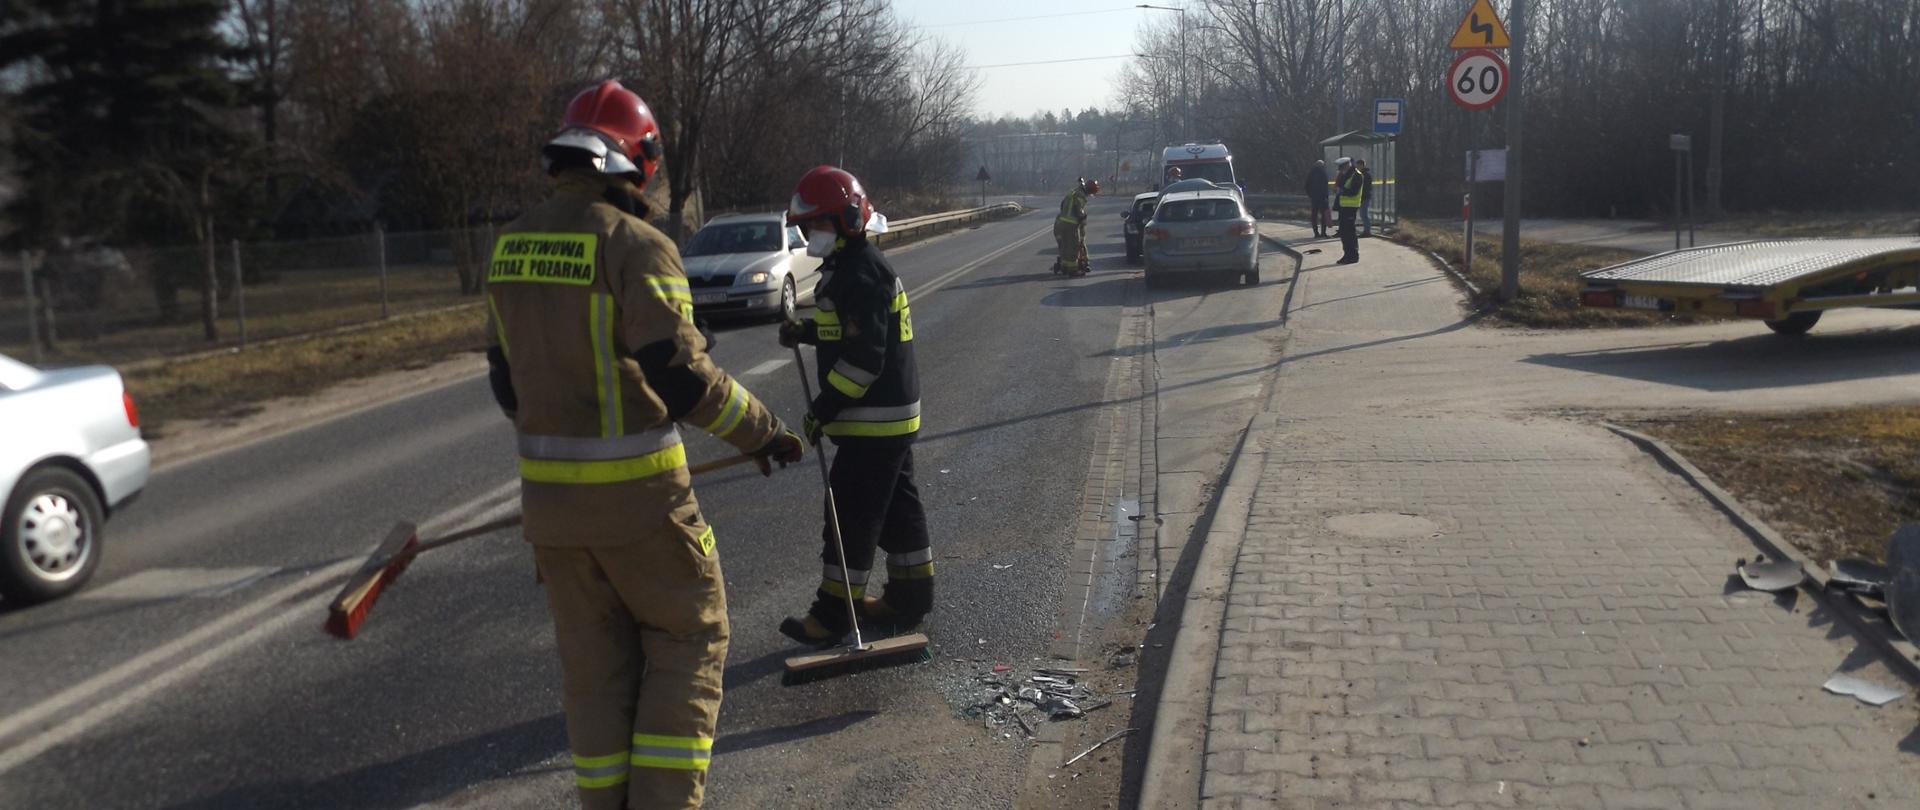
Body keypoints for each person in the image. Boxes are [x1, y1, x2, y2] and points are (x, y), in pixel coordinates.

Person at [484, 79, 805, 810]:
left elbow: (508, 386)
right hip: (642, 509)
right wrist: (766, 433)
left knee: (595, 674)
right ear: (636, 162)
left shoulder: (509, 247)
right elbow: (682, 377)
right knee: (689, 644)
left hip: (554, 519)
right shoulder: (636, 245)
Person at [777, 165, 933, 644]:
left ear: (845, 220)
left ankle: (833, 614)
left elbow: (864, 361)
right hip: (890, 419)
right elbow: (845, 334)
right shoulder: (849, 269)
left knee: (849, 515)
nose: (808, 237)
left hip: (874, 420)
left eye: (815, 226)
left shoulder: (861, 274)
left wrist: (822, 409)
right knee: (897, 512)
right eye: (805, 228)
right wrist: (804, 332)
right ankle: (909, 598)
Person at [1052, 177, 1098, 276]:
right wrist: (1083, 216)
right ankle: (1073, 270)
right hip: (1070, 224)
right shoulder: (1080, 195)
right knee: (1073, 247)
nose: (1089, 196)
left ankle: (1064, 266)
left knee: (1064, 245)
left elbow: (1062, 204)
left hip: (1060, 222)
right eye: (1090, 194)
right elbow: (1079, 210)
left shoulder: (1073, 192)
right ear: (1089, 191)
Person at [1334, 156, 1363, 264]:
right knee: (1344, 233)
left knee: (1350, 233)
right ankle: (1347, 254)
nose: (1340, 170)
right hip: (1344, 207)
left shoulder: (1357, 175)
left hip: (1351, 208)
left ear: (1347, 165)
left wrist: (1342, 191)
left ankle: (1353, 256)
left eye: (1341, 168)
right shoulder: (1345, 175)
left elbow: (1354, 191)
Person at [1304, 159, 1330, 238]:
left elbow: (1306, 186)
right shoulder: (1323, 173)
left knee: (1314, 216)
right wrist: (1326, 196)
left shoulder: (1311, 173)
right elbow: (1325, 186)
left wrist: (1311, 195)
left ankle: (1316, 233)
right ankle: (1323, 233)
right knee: (1323, 216)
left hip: (1314, 198)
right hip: (1322, 197)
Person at [1356, 158, 1374, 236]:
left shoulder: (1365, 175)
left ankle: (1367, 231)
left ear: (1362, 165)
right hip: (1362, 197)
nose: (1357, 167)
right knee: (1362, 214)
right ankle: (1366, 230)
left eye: (1358, 166)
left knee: (1364, 214)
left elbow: (1365, 186)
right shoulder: (1361, 174)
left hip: (1364, 197)